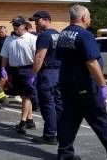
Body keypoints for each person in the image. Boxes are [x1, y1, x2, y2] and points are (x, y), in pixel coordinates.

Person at [56, 5, 107, 160]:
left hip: (67, 84)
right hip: (85, 86)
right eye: (89, 16)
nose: (90, 19)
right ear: (83, 18)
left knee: (69, 119)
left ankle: (65, 154)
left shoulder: (64, 34)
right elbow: (92, 62)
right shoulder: (85, 35)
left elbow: (61, 58)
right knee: (100, 119)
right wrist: (102, 85)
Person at [0, 16, 38, 134]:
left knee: (27, 96)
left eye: (17, 25)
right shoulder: (8, 39)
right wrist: (3, 68)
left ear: (23, 26)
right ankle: (30, 120)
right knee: (23, 95)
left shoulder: (32, 38)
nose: (15, 27)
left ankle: (23, 122)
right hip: (15, 70)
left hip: (28, 70)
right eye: (14, 25)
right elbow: (4, 55)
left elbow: (38, 56)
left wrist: (35, 72)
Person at [30, 11, 61, 145]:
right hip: (59, 73)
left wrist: (33, 75)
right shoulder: (59, 35)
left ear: (47, 20)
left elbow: (40, 57)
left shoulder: (44, 36)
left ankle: (49, 135)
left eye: (38, 20)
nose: (35, 23)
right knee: (59, 105)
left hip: (47, 74)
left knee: (47, 105)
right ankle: (61, 134)